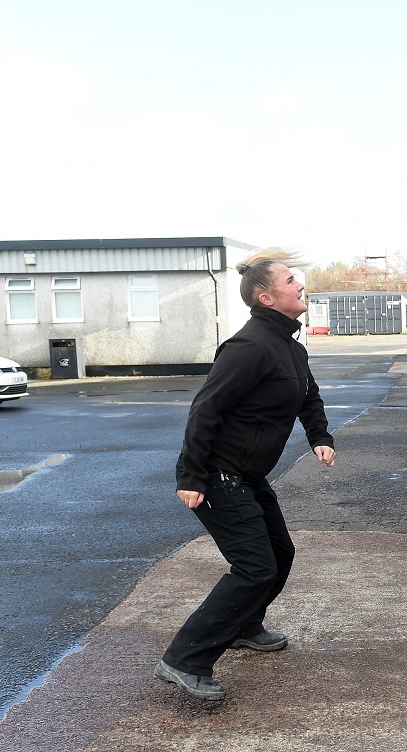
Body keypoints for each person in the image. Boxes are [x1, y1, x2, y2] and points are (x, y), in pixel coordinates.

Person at [154, 247, 337, 700]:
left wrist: (320, 436)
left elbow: (308, 397)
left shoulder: (290, 348)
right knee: (255, 568)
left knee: (280, 554)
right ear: (266, 298)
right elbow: (205, 411)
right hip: (217, 475)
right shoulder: (248, 347)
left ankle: (244, 625)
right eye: (291, 280)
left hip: (248, 477)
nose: (300, 285)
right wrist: (191, 477)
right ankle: (185, 659)